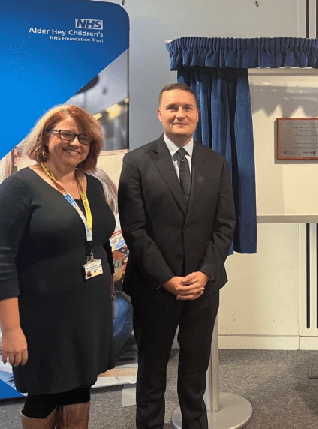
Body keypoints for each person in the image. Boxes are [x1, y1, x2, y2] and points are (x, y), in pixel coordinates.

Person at [118, 82, 236, 429]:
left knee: (195, 374)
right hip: (154, 288)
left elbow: (225, 224)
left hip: (202, 287)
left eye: (187, 107)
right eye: (172, 108)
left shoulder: (216, 162)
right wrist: (167, 279)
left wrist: (206, 272)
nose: (180, 114)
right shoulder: (136, 161)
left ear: (198, 115)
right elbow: (134, 230)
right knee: (152, 373)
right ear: (160, 114)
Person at [0, 105, 115, 428]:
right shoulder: (20, 186)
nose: (76, 143)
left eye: (84, 138)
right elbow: (2, 259)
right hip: (43, 317)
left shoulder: (93, 185)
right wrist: (11, 330)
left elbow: (101, 245)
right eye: (66, 134)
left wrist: (107, 299)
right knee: (45, 393)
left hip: (89, 310)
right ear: (45, 138)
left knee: (81, 385)